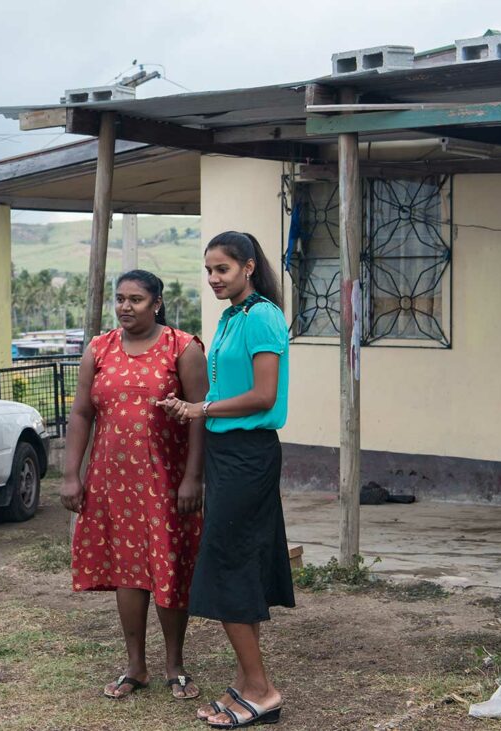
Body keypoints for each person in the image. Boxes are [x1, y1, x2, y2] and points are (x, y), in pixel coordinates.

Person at [159, 231, 294, 729]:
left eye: (223, 269)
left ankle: (262, 690)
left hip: (248, 456)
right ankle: (247, 682)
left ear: (249, 267)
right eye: (210, 270)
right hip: (225, 451)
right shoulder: (230, 317)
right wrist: (190, 408)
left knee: (228, 565)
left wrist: (203, 407)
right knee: (236, 563)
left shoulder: (262, 316)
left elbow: (263, 396)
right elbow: (222, 390)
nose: (214, 279)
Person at [61, 270, 208, 701]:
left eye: (137, 299)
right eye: (121, 299)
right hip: (113, 481)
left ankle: (175, 664)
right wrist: (72, 473)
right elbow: (82, 414)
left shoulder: (183, 347)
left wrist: (193, 478)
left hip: (166, 479)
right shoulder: (99, 348)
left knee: (168, 566)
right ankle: (135, 666)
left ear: (157, 303)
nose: (126, 307)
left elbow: (201, 415)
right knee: (128, 570)